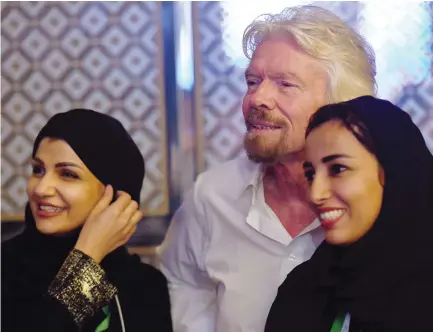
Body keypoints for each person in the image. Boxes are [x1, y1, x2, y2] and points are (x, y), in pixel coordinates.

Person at [158, 5, 377, 332]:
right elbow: (182, 281)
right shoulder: (213, 195)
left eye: (285, 84)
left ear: (341, 102)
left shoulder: (383, 202)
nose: (257, 98)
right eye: (252, 81)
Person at [265, 96, 433, 332]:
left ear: (394, 172)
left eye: (337, 169)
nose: (315, 194)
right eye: (311, 174)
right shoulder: (304, 290)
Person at [2, 109, 173, 332]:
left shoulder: (145, 286)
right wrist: (87, 259)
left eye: (68, 174)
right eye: (38, 170)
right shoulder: (6, 269)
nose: (41, 189)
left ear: (115, 195)